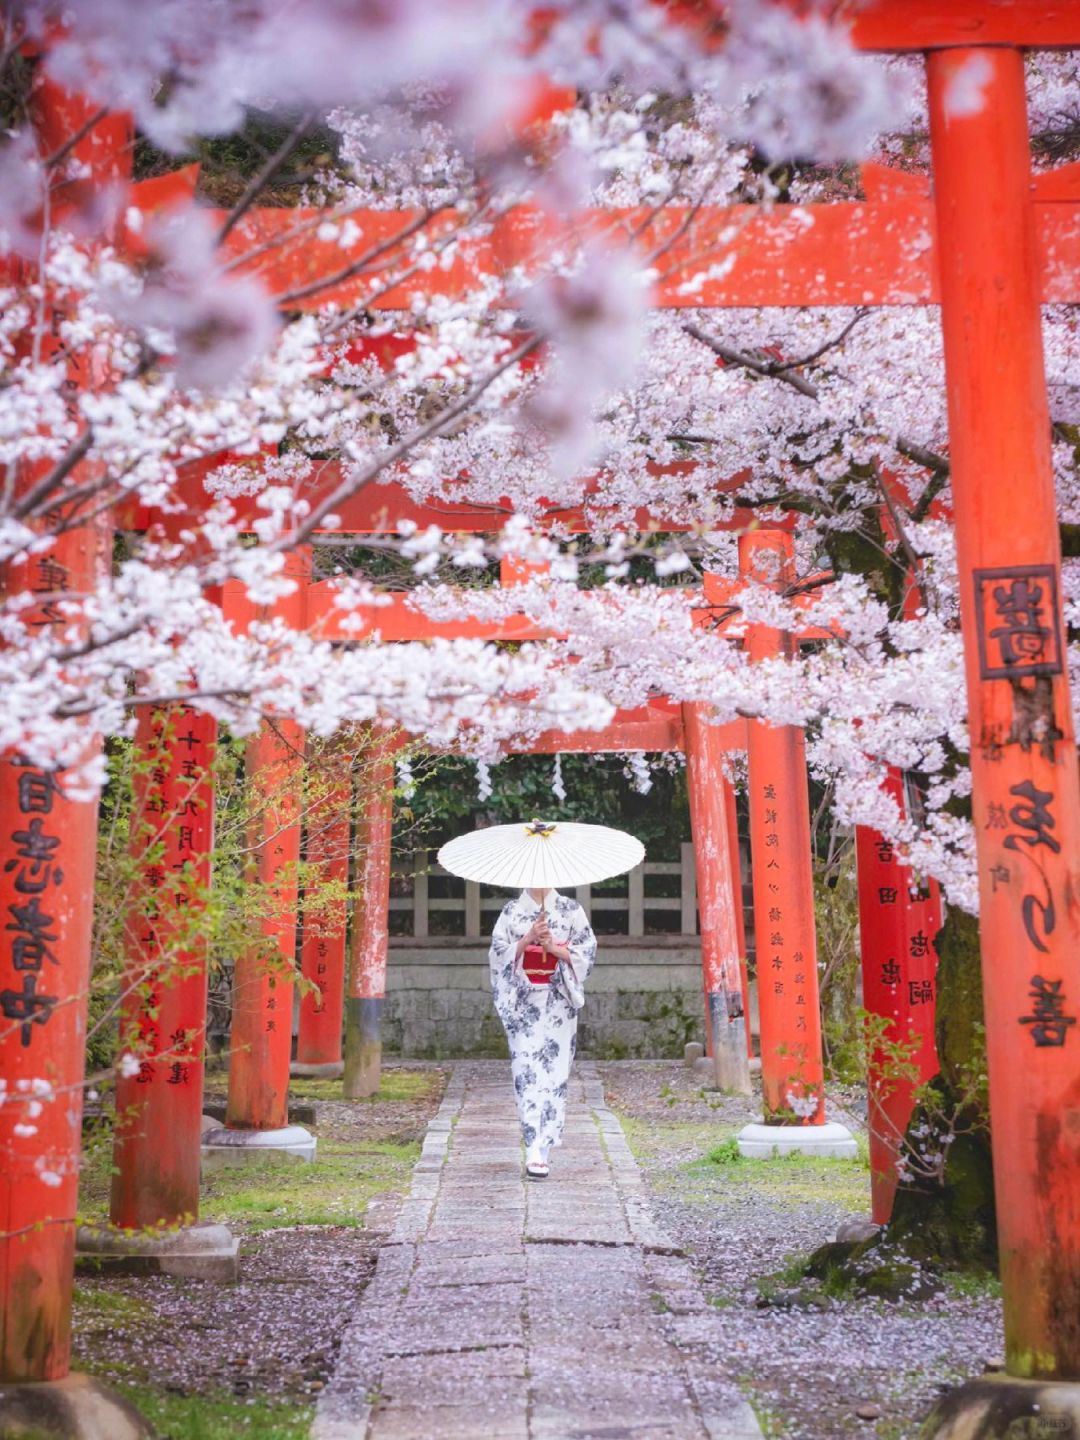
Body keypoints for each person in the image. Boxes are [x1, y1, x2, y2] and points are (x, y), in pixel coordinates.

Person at [488, 886, 597, 1179]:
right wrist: (526, 940)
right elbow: (498, 954)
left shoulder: (571, 910)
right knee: (526, 1069)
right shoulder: (512, 911)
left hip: (559, 1000)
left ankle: (545, 1147)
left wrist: (553, 948)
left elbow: (587, 953)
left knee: (555, 1072)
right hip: (523, 1000)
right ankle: (532, 1146)